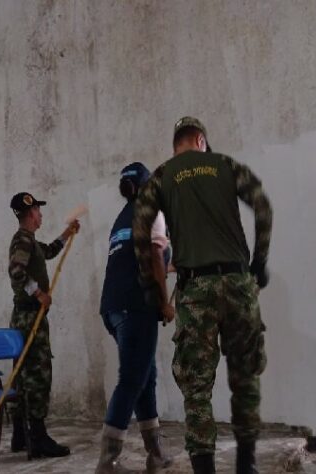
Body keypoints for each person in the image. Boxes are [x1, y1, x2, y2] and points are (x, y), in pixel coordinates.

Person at [133, 117, 273, 474]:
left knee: (197, 388)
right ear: (200, 140)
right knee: (245, 378)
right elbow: (262, 206)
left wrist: (152, 288)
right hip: (239, 284)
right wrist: (259, 262)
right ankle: (247, 464)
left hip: (196, 291)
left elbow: (140, 231)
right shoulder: (224, 165)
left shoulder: (163, 176)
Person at [95, 163, 173, 473]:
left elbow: (141, 257)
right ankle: (107, 462)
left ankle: (155, 453)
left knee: (144, 377)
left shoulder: (122, 217)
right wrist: (165, 303)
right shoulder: (151, 211)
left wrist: (171, 261)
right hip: (136, 306)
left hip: (113, 308)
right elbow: (154, 256)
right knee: (131, 379)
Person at [8, 192, 80, 458]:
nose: (41, 215)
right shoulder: (23, 240)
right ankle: (36, 437)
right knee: (37, 376)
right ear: (30, 213)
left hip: (25, 317)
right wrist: (39, 294)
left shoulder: (30, 241)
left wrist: (66, 234)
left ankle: (20, 435)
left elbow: (48, 252)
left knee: (23, 377)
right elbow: (16, 271)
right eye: (38, 210)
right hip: (30, 317)